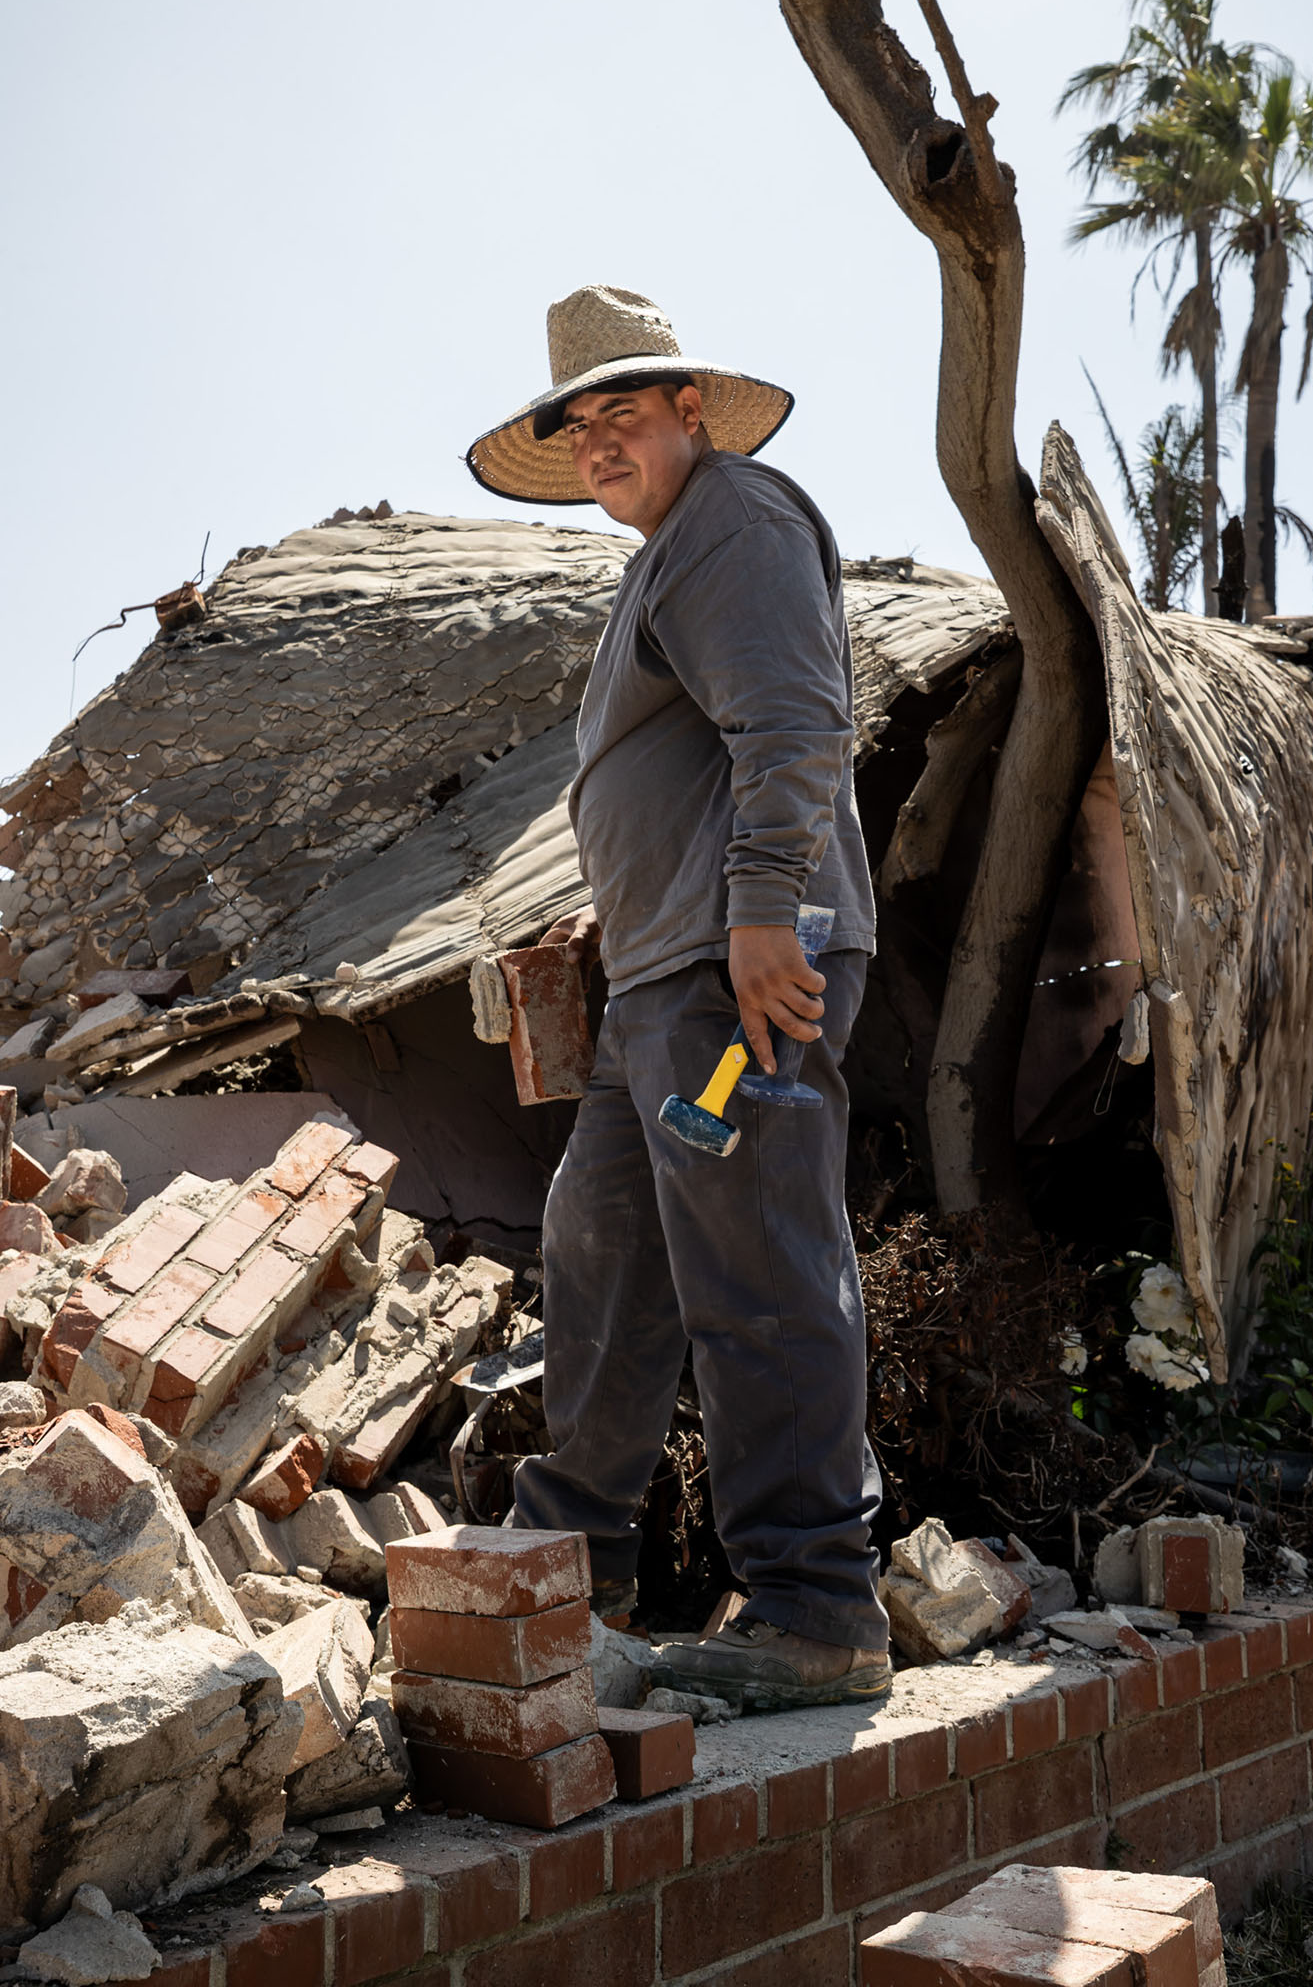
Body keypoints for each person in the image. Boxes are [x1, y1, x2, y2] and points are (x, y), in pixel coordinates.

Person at [465, 284, 890, 1710]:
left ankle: (818, 1609)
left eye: (626, 412)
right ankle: (567, 1565)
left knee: (760, 1268)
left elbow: (795, 722)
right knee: (604, 1256)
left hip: (738, 975)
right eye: (578, 423)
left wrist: (763, 908)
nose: (599, 442)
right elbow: (692, 763)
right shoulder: (668, 556)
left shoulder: (735, 521)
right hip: (663, 976)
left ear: (691, 413)